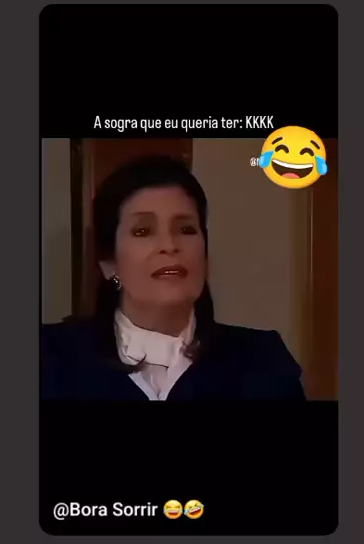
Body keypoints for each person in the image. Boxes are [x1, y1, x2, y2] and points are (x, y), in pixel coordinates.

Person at [41, 155, 306, 401]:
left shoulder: (262, 361)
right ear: (109, 262)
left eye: (186, 229)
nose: (169, 245)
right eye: (143, 231)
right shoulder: (50, 359)